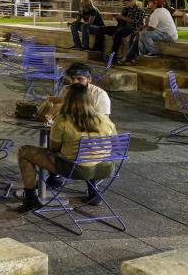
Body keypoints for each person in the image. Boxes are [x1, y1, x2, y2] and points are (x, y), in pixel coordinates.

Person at [15, 84, 117, 212]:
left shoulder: (63, 120)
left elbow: (52, 149)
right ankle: (92, 188)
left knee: (24, 151)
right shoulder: (104, 119)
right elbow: (113, 144)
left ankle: (31, 199)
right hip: (105, 167)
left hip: (75, 169)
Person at [37, 62, 111, 123]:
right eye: (72, 79)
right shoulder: (66, 89)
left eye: (79, 79)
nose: (75, 82)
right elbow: (60, 112)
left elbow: (103, 121)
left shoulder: (100, 95)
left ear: (89, 79)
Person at [109, 0, 145, 64]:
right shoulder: (125, 9)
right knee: (103, 29)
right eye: (123, 3)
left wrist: (122, 17)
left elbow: (134, 21)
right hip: (124, 28)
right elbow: (122, 21)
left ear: (131, 1)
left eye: (125, 3)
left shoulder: (139, 10)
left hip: (133, 29)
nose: (124, 5)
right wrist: (118, 18)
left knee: (118, 34)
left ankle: (113, 55)